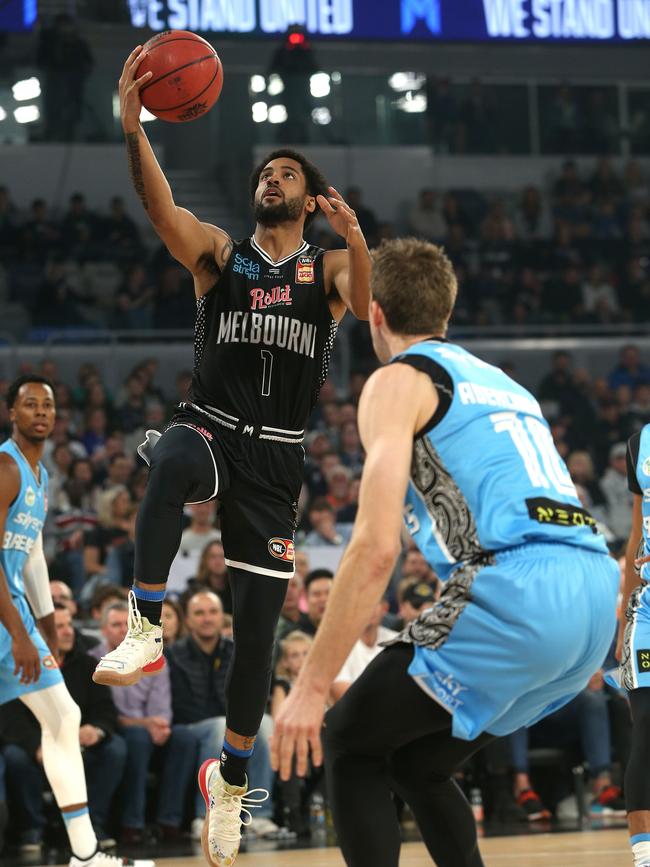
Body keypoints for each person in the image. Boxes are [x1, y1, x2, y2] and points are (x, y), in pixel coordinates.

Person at [94, 44, 371, 867]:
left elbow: (376, 307)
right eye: (268, 171)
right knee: (173, 454)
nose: (272, 179)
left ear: (309, 197)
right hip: (213, 422)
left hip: (277, 462)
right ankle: (145, 621)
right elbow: (160, 209)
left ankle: (233, 782)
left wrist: (356, 235)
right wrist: (133, 128)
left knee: (257, 637)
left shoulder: (325, 270)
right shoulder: (221, 254)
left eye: (288, 173)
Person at [271, 238, 619, 867]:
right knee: (417, 763)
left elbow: (376, 549)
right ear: (446, 313)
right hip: (597, 593)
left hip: (519, 589)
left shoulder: (397, 380)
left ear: (373, 313)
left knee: (347, 739)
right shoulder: (506, 384)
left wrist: (311, 684)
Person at [0, 374, 152, 867]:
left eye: (47, 404)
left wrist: (44, 621)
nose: (41, 412)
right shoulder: (5, 467)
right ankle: (85, 855)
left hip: (16, 608)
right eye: (30, 404)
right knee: (63, 718)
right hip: (5, 613)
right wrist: (21, 632)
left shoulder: (40, 476)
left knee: (62, 718)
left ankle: (85, 854)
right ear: (12, 414)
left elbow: (32, 556)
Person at [0, 603, 127, 850]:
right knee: (15, 756)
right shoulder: (16, 662)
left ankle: (93, 825)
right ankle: (31, 828)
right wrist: (38, 746)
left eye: (69, 624)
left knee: (115, 749)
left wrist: (96, 730)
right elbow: (9, 718)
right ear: (39, 632)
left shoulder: (88, 663)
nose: (68, 631)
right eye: (58, 626)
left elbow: (106, 711)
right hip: (34, 747)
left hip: (80, 743)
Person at [88, 602, 198, 844]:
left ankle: (170, 822)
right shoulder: (93, 660)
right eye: (115, 625)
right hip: (114, 730)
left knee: (184, 738)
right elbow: (103, 713)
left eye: (127, 625)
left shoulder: (154, 658)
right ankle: (132, 825)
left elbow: (162, 708)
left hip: (148, 730)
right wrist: (145, 724)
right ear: (103, 630)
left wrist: (158, 726)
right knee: (137, 737)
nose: (121, 630)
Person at [609, 422, 650, 867]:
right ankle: (644, 854)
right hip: (649, 610)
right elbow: (637, 532)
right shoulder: (641, 442)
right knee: (647, 727)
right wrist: (624, 613)